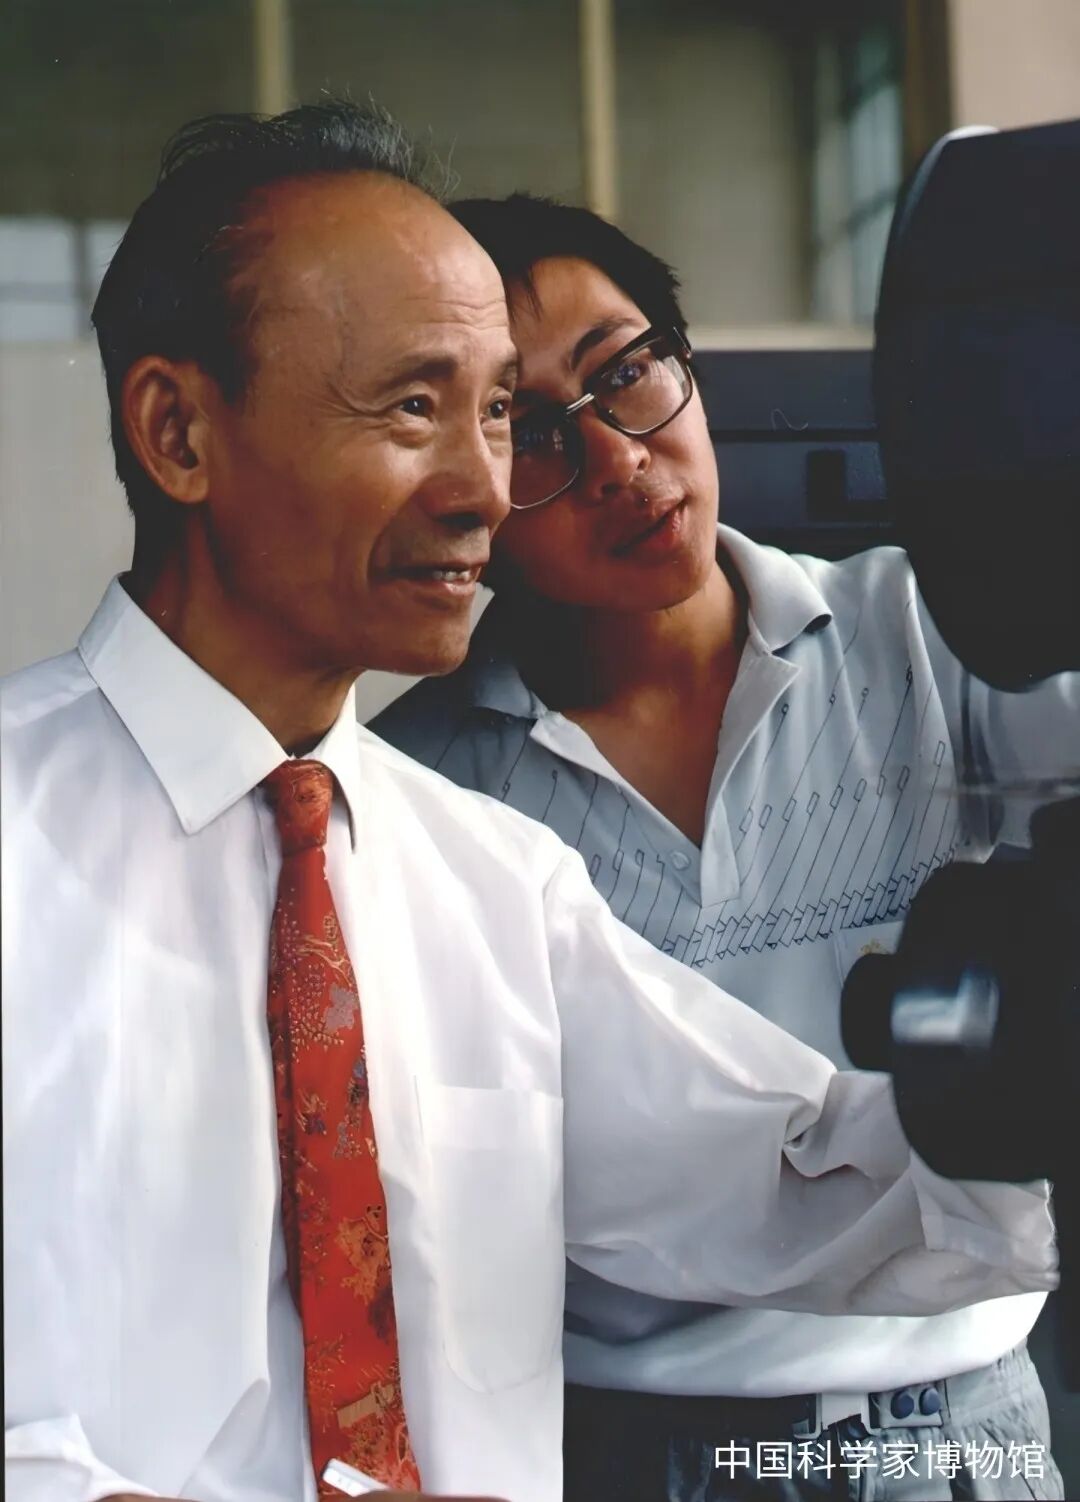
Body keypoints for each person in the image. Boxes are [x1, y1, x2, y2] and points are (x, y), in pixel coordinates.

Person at [0, 106, 1057, 1502]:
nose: (486, 489)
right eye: (413, 406)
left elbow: (792, 1180)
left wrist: (1032, 1091)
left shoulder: (494, 880)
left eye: (496, 413)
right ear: (179, 431)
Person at [372, 193, 1079, 1501]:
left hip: (961, 1429)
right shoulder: (420, 790)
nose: (617, 462)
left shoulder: (937, 632)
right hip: (635, 1451)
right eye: (534, 431)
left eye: (627, 373)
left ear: (687, 361)